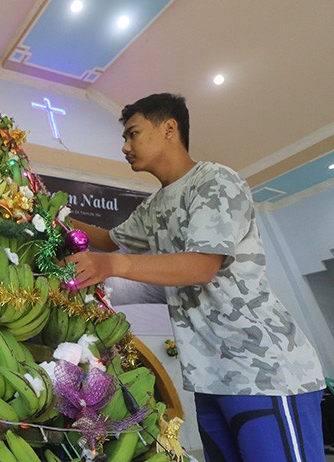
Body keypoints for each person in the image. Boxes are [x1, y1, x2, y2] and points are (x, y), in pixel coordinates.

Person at [63, 93, 326, 461]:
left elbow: (201, 266)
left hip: (263, 373)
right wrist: (49, 209)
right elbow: (108, 240)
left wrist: (113, 266)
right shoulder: (154, 206)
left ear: (169, 128)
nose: (125, 147)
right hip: (208, 378)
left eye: (133, 134)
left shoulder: (215, 179)